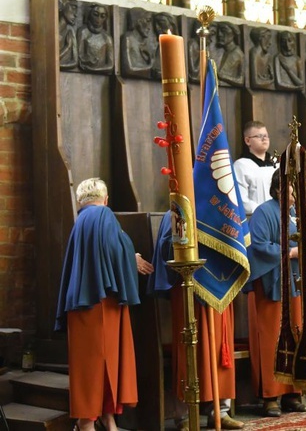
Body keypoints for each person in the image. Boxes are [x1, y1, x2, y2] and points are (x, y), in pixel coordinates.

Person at [54, 178, 153, 431]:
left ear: (80, 200)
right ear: (106, 199)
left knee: (90, 366)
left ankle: (106, 419)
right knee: (104, 363)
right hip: (101, 303)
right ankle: (86, 422)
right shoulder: (104, 215)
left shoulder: (81, 222)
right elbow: (113, 249)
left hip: (80, 304)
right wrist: (132, 257)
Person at [148, 213, 244, 430]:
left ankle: (221, 410)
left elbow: (235, 240)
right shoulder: (175, 211)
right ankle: (183, 414)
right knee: (188, 348)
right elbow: (167, 248)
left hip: (219, 288)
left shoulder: (219, 206)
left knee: (220, 347)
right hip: (187, 290)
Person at [246, 168, 306, 417]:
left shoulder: (300, 214)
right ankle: (271, 396)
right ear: (279, 188)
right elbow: (258, 246)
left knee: (298, 334)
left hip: (300, 285)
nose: (295, 195)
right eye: (292, 189)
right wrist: (291, 253)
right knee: (273, 338)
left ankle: (294, 392)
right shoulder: (264, 212)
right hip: (274, 286)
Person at [233, 120, 277, 216]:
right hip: (255, 217)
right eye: (259, 136)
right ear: (247, 141)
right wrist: (265, 212)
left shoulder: (277, 163)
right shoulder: (241, 165)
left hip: (279, 216)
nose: (264, 139)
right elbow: (241, 200)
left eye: (266, 136)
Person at [78, 3, 114, 73]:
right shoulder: (83, 32)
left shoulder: (107, 37)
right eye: (95, 15)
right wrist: (87, 60)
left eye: (102, 16)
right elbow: (79, 56)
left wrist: (93, 69)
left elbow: (110, 65)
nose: (98, 19)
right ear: (89, 14)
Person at [120, 7, 154, 78]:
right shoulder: (128, 38)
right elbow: (128, 69)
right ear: (138, 21)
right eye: (147, 21)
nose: (149, 27)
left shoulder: (146, 44)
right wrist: (151, 66)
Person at [216, 22, 245, 87]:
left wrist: (223, 76)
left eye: (223, 31)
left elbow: (241, 80)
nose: (219, 35)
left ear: (233, 34)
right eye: (219, 31)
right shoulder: (219, 52)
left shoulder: (238, 54)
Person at [58, 0, 78, 69]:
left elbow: (75, 62)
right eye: (73, 8)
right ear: (62, 6)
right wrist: (67, 47)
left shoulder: (70, 31)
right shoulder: (50, 29)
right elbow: (51, 61)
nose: (75, 14)